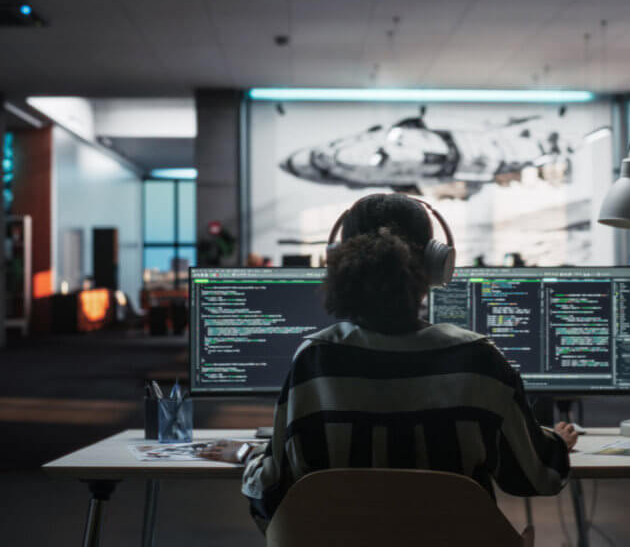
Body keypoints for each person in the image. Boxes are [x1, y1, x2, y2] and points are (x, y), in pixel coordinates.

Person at [200, 193, 577, 533]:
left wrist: (248, 454)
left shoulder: (315, 361)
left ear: (338, 262)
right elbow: (538, 478)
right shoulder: (479, 359)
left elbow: (272, 490)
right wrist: (556, 444)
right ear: (436, 264)